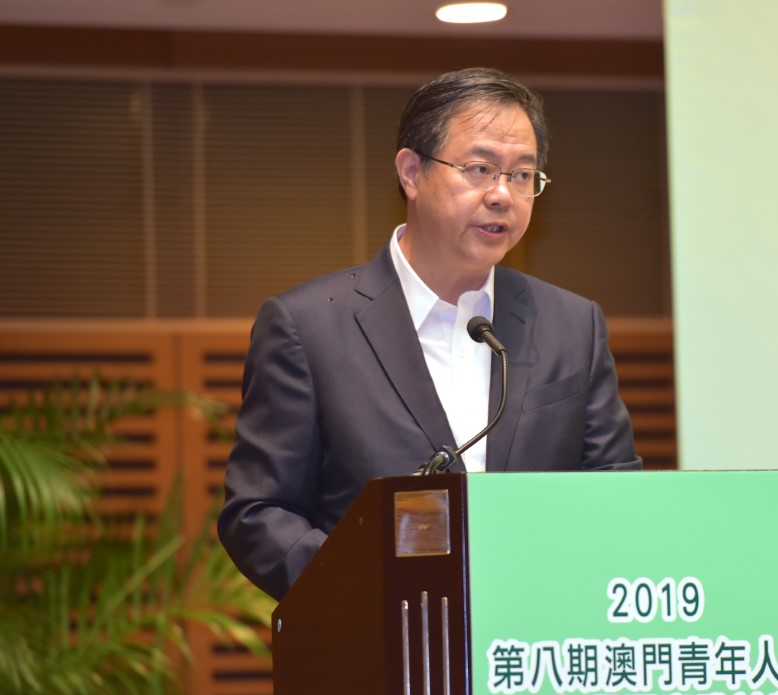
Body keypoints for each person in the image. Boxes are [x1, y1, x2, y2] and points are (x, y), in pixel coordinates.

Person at [219, 68, 641, 600]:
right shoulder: (308, 326)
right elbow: (258, 513)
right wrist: (365, 588)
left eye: (522, 175)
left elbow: (616, 496)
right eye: (480, 169)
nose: (502, 194)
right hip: (379, 636)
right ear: (411, 173)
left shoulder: (573, 326)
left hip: (535, 636)